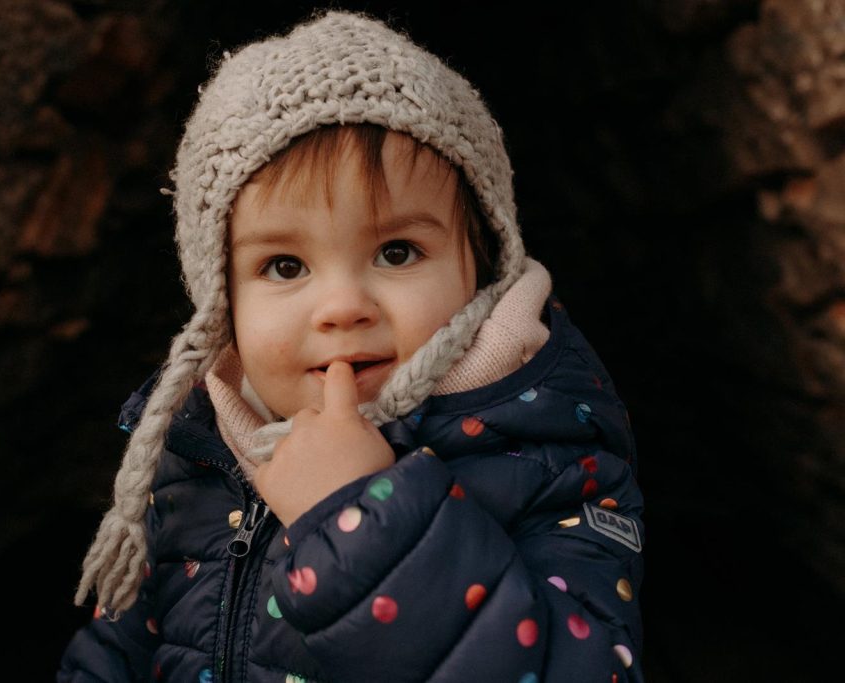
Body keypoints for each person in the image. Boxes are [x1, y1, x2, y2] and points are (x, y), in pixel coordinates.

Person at [59, 10, 644, 683]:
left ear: (481, 266)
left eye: (397, 251)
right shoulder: (196, 449)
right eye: (284, 266)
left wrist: (361, 513)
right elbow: (115, 654)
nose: (342, 307)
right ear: (220, 305)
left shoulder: (542, 447)